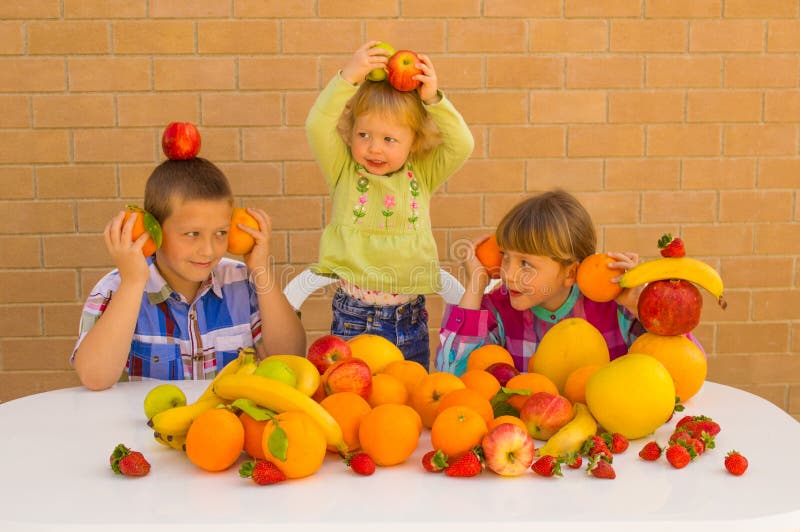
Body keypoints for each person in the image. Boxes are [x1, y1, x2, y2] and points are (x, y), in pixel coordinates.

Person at [305, 41, 474, 368]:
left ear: (414, 142)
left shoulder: (421, 173)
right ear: (350, 132)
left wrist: (434, 100)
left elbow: (462, 144)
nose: (374, 149)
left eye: (389, 139)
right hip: (354, 318)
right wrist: (348, 78)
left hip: (409, 321)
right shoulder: (343, 170)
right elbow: (316, 125)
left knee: (406, 404)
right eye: (364, 134)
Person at [72, 157, 305, 390]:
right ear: (155, 232)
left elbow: (291, 356)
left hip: (226, 424)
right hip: (143, 425)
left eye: (221, 232)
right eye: (193, 234)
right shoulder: (115, 288)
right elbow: (95, 377)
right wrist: (132, 283)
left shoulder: (244, 283)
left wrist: (261, 270)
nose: (209, 250)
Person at [435, 189, 647, 376]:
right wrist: (476, 285)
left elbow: (672, 367)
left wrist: (639, 305)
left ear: (570, 273)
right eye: (505, 256)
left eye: (525, 263)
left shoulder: (614, 309)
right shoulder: (497, 309)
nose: (508, 274)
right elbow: (451, 372)